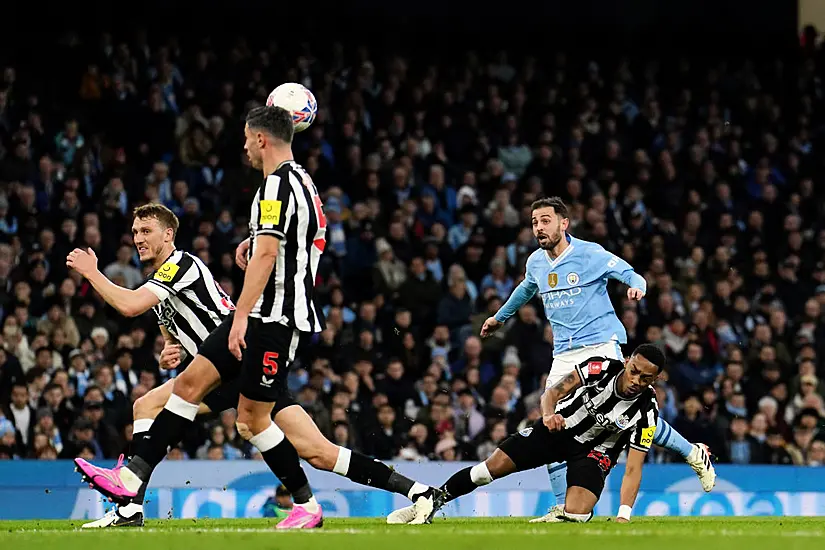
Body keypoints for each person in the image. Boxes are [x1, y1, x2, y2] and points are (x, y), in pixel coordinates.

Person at [73, 105, 440, 529]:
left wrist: (242, 310)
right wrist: (253, 245)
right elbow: (301, 240)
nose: (244, 146)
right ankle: (414, 491)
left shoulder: (266, 193)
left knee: (202, 406)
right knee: (305, 445)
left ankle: (133, 493)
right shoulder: (302, 182)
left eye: (247, 138)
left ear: (261, 138)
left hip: (268, 321)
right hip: (261, 324)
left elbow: (267, 253)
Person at [479, 197, 715, 521]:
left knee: (629, 415)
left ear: (564, 223)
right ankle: (566, 510)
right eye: (534, 222)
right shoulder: (535, 262)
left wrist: (637, 288)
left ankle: (692, 453)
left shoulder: (590, 254)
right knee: (553, 428)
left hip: (600, 344)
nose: (539, 227)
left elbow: (631, 274)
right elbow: (526, 289)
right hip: (563, 352)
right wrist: (499, 317)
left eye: (545, 220)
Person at [67, 203, 267, 527]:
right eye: (134, 232)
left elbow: (130, 306)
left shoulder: (179, 264)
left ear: (168, 234)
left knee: (309, 446)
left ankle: (129, 495)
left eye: (146, 231)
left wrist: (92, 272)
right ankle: (130, 508)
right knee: (145, 405)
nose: (138, 238)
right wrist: (168, 353)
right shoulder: (160, 281)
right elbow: (175, 342)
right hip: (211, 374)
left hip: (235, 364)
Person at [388, 344, 664, 524]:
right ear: (627, 362)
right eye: (634, 372)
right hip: (559, 429)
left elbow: (633, 468)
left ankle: (567, 513)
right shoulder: (600, 368)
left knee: (577, 513)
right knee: (489, 469)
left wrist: (624, 515)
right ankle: (432, 501)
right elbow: (554, 392)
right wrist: (547, 414)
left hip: (595, 453)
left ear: (656, 379)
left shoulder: (648, 412)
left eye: (645, 378)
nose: (635, 381)